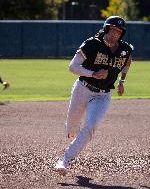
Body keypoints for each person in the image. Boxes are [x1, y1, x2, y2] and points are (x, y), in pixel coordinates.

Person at [54, 16, 134, 176]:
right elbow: (72, 67)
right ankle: (71, 129)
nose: (115, 34)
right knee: (71, 129)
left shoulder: (125, 49)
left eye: (118, 32)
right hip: (82, 89)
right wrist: (93, 73)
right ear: (106, 29)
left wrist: (122, 81)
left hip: (103, 96)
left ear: (121, 34)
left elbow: (127, 62)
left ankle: (65, 160)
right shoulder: (92, 44)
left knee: (91, 127)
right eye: (112, 30)